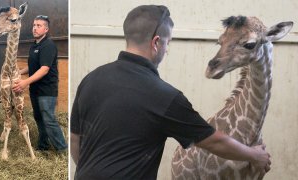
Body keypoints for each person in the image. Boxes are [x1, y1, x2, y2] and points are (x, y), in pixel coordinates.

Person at [70, 5, 271, 180]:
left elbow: (75, 140)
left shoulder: (90, 80)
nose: (167, 50)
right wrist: (255, 156)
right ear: (156, 43)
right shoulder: (165, 96)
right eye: (168, 43)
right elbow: (213, 141)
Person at [13, 15, 67, 152]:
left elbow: (44, 69)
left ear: (46, 29)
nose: (35, 28)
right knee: (39, 118)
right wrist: (20, 72)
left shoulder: (48, 45)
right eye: (34, 25)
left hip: (46, 91)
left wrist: (25, 82)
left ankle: (62, 149)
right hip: (35, 90)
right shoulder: (34, 46)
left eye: (39, 25)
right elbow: (34, 66)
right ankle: (43, 146)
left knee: (49, 120)